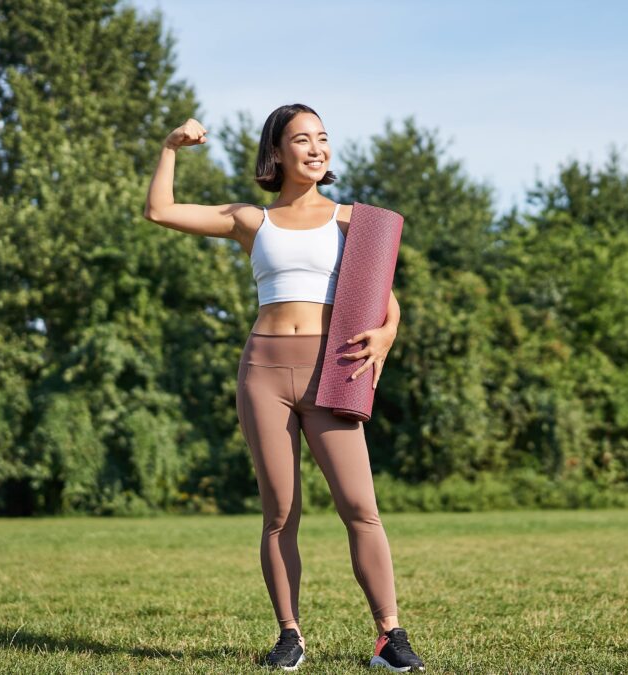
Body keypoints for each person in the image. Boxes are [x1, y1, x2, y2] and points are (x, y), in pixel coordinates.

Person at [143, 104, 425, 672]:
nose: (317, 149)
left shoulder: (355, 221)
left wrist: (387, 336)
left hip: (332, 369)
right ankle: (290, 634)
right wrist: (171, 148)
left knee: (360, 508)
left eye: (323, 138)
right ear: (277, 152)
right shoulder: (252, 220)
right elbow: (160, 211)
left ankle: (389, 636)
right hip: (264, 374)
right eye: (302, 139)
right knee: (279, 512)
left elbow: (385, 302)